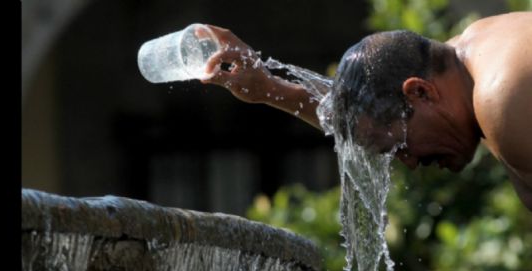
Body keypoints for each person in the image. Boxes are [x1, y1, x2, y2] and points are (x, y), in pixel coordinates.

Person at [200, 12, 532, 211]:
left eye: (400, 146)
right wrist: (270, 89)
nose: (411, 162)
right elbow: (371, 116)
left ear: (420, 91)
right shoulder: (469, 60)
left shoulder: (504, 101)